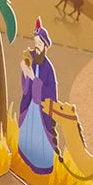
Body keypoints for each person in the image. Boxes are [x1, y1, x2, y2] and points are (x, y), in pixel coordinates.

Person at [17, 18, 59, 175]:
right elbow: (26, 87)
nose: (37, 46)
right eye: (35, 42)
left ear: (45, 46)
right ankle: (26, 154)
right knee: (28, 133)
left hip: (41, 109)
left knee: (40, 137)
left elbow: (50, 93)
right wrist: (25, 72)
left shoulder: (48, 68)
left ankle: (41, 164)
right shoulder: (32, 59)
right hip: (30, 105)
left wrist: (33, 78)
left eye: (40, 43)